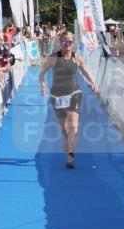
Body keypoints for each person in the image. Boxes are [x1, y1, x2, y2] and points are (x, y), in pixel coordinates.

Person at [38, 32, 100, 169]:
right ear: (60, 43)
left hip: (74, 93)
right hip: (57, 96)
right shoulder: (54, 57)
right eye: (64, 43)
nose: (67, 45)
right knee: (63, 126)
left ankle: (70, 156)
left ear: (73, 43)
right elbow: (42, 72)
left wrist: (93, 82)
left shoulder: (76, 57)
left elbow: (85, 71)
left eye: (70, 42)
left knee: (74, 127)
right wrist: (43, 84)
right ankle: (66, 138)